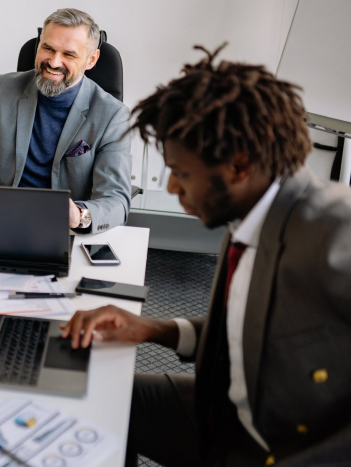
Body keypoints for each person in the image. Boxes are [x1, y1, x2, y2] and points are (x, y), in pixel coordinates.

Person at [60, 46, 351, 465]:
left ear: (239, 164)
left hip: (282, 447)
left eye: (181, 172)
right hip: (224, 410)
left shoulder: (336, 231)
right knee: (96, 396)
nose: (173, 188)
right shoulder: (252, 212)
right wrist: (154, 328)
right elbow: (251, 324)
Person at [0, 8, 131, 233]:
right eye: (48, 48)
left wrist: (80, 215)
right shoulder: (4, 89)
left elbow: (116, 200)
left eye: (69, 55)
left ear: (91, 60)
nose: (53, 62)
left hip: (62, 230)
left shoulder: (113, 116)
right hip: (0, 218)